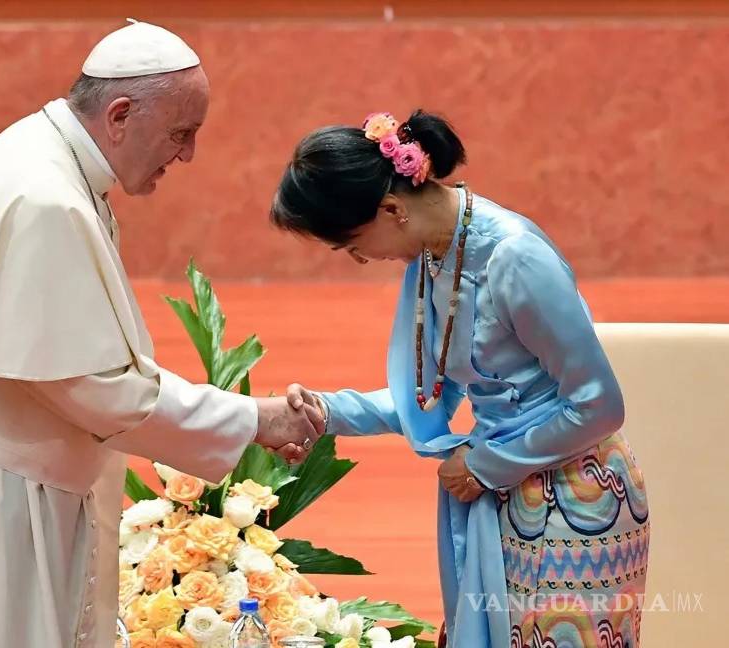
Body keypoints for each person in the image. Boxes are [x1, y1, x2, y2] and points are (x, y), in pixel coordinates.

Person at [0, 20, 323, 648]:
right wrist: (254, 418)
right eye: (181, 133)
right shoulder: (44, 197)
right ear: (120, 115)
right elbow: (93, 386)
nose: (187, 155)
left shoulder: (50, 161)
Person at [274, 110, 649, 648]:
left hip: (576, 501)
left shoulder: (514, 257)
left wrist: (484, 465)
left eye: (353, 245)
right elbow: (429, 396)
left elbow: (598, 406)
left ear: (391, 209)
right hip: (505, 496)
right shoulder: (434, 254)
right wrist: (323, 412)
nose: (360, 260)